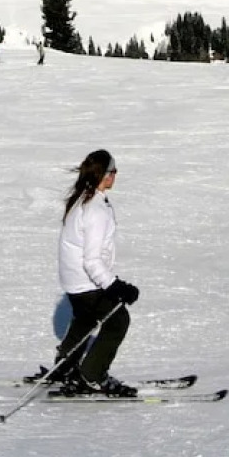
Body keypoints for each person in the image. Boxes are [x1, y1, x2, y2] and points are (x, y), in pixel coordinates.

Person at [49, 149, 140, 397]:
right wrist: (115, 286)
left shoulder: (82, 199)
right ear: (106, 175)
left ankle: (65, 367)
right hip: (85, 281)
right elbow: (92, 260)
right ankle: (92, 375)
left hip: (73, 280)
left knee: (85, 319)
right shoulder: (95, 210)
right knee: (118, 321)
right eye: (114, 171)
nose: (116, 175)